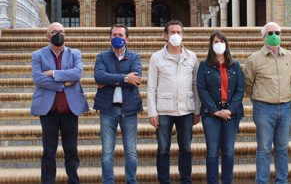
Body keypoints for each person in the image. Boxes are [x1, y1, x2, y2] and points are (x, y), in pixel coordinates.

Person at [31, 22, 89, 184]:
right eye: (54, 32)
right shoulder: (38, 55)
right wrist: (62, 84)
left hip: (70, 109)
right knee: (49, 151)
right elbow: (38, 78)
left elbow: (77, 74)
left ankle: (73, 180)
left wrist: (53, 73)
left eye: (61, 31)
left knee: (71, 150)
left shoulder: (74, 53)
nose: (58, 34)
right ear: (47, 35)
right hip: (48, 110)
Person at [147, 19, 200, 184]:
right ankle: (164, 181)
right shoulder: (156, 57)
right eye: (172, 32)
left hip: (186, 109)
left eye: (178, 32)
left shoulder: (191, 56)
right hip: (164, 111)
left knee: (186, 148)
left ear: (183, 35)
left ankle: (186, 180)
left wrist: (197, 109)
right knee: (163, 149)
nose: (175, 35)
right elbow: (151, 87)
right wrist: (152, 112)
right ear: (165, 36)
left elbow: (195, 84)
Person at [243, 22, 291, 184]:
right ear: (263, 37)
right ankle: (262, 181)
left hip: (286, 108)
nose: (274, 36)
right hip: (263, 108)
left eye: (277, 33)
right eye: (270, 33)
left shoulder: (289, 56)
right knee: (264, 149)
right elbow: (247, 83)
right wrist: (258, 98)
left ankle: (281, 180)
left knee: (282, 149)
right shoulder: (254, 59)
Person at [93, 24, 143, 184]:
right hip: (108, 109)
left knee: (131, 151)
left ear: (127, 39)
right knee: (107, 151)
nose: (117, 38)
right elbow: (99, 77)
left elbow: (136, 80)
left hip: (128, 109)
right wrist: (125, 78)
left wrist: (111, 79)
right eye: (114, 34)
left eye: (121, 35)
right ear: (110, 38)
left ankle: (132, 181)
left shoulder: (135, 57)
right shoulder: (102, 56)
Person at [197, 31, 244, 184]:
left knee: (229, 151)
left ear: (226, 44)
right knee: (212, 151)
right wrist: (215, 110)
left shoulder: (235, 65)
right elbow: (201, 89)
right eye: (216, 41)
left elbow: (239, 90)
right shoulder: (204, 65)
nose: (219, 44)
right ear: (211, 45)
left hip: (231, 113)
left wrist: (229, 109)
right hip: (211, 114)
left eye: (222, 41)